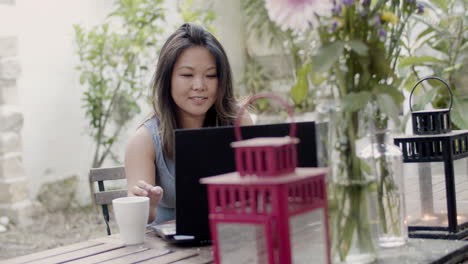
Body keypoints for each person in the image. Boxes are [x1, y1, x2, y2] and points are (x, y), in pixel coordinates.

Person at [124, 23, 252, 224]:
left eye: (210, 75)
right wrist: (148, 205)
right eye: (187, 75)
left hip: (230, 238)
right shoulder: (144, 141)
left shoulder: (238, 122)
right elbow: (137, 220)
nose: (200, 86)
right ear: (168, 79)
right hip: (167, 251)